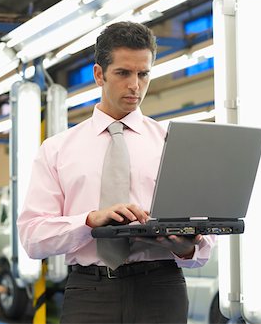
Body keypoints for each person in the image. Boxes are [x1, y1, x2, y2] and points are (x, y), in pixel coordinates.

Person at [17, 21, 216, 324]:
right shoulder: (57, 150)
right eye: (123, 73)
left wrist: (185, 244)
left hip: (161, 289)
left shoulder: (172, 144)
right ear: (99, 74)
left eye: (143, 73)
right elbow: (33, 238)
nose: (135, 85)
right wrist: (88, 221)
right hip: (89, 291)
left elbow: (201, 248)